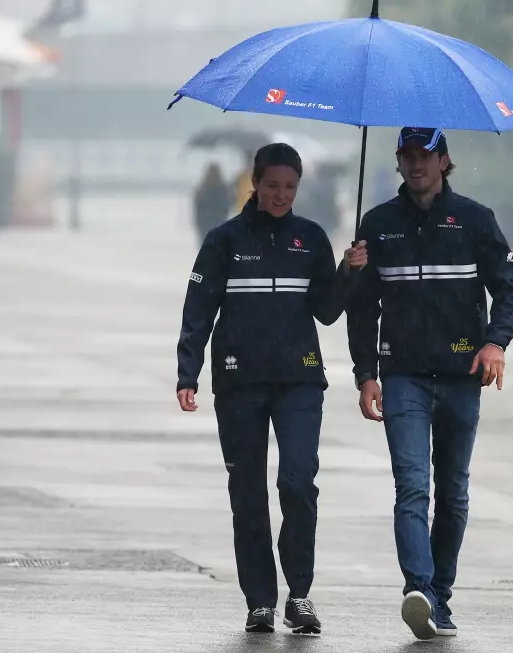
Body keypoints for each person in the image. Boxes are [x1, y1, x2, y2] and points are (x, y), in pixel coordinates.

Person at [176, 143, 368, 635]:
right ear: (255, 184)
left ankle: (299, 595)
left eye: (290, 188)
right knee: (248, 493)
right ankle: (259, 600)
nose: (281, 195)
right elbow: (198, 308)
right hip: (240, 381)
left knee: (298, 482)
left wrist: (349, 272)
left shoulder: (311, 238)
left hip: (300, 379)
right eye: (273, 186)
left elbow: (326, 310)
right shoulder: (223, 241)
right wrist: (188, 371)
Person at [346, 127, 513, 640]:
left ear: (444, 161)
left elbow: (509, 290)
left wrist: (496, 344)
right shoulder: (377, 225)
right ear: (398, 163)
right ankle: (418, 590)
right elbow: (362, 309)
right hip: (401, 376)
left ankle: (439, 599)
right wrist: (365, 374)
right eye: (407, 156)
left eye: (426, 155)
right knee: (411, 487)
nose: (416, 164)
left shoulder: (474, 219)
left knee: (453, 493)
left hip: (462, 375)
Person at [193, 162, 232, 246]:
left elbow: (226, 206)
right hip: (209, 223)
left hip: (214, 223)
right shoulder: (204, 189)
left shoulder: (204, 189)